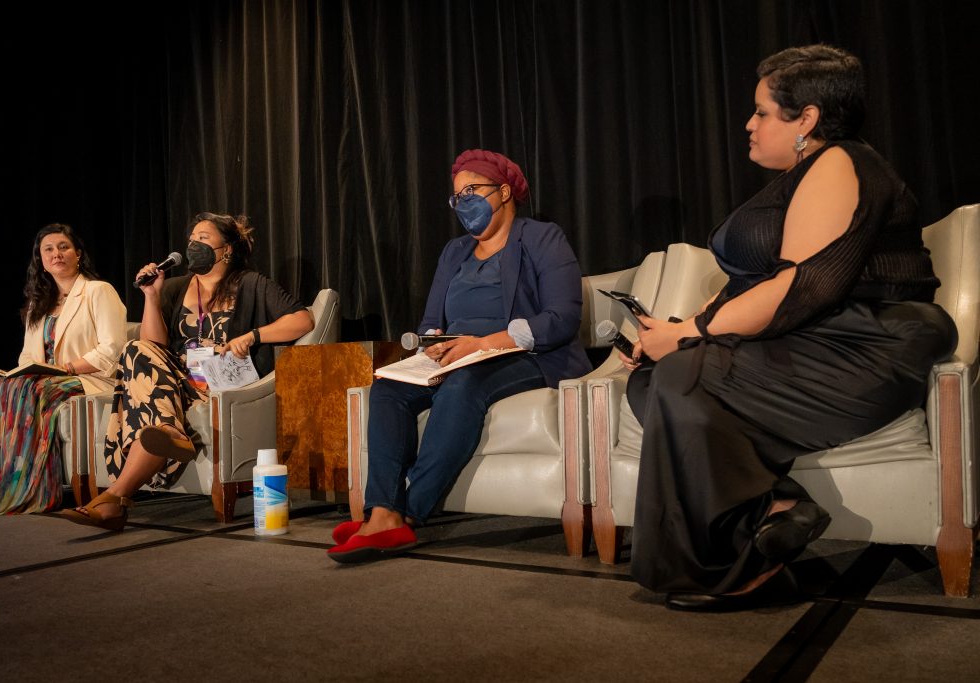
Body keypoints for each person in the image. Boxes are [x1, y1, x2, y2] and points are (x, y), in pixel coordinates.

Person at [620, 45, 957, 611]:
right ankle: (776, 508)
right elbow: (768, 286)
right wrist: (679, 332)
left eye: (762, 112)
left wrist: (691, 333)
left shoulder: (841, 162)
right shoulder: (803, 175)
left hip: (868, 342)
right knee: (652, 381)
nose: (749, 125)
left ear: (806, 119)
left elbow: (805, 285)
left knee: (681, 375)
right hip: (814, 333)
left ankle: (743, 566)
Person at [328, 149, 592, 563]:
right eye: (457, 195)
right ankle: (382, 511)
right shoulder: (455, 252)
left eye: (473, 190)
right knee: (386, 387)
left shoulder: (542, 237)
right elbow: (432, 320)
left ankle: (409, 514)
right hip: (459, 354)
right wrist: (434, 343)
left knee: (463, 388)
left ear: (504, 192)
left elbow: (562, 318)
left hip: (527, 356)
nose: (463, 200)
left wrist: (482, 344)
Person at [60, 212, 314, 530]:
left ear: (228, 249)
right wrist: (152, 297)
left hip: (223, 385)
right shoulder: (176, 287)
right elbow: (152, 346)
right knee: (136, 349)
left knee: (144, 389)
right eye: (192, 239)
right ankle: (160, 442)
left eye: (203, 239)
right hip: (177, 383)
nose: (194, 244)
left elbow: (303, 320)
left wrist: (252, 336)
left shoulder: (250, 283)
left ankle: (117, 496)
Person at [0, 223, 127, 514]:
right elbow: (28, 355)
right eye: (48, 249)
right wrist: (23, 373)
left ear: (78, 253)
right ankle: (1, 486)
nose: (57, 254)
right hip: (48, 379)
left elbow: (110, 349)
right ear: (40, 259)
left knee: (33, 391)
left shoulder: (98, 291)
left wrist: (67, 367)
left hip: (90, 379)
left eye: (63, 247)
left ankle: (30, 489)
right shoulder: (39, 303)